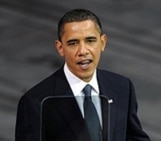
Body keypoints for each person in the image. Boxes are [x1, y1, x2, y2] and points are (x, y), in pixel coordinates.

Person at [15, 9, 150, 141]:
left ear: (102, 42)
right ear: (60, 48)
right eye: (73, 43)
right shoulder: (36, 102)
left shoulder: (122, 87)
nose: (83, 51)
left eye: (90, 41)